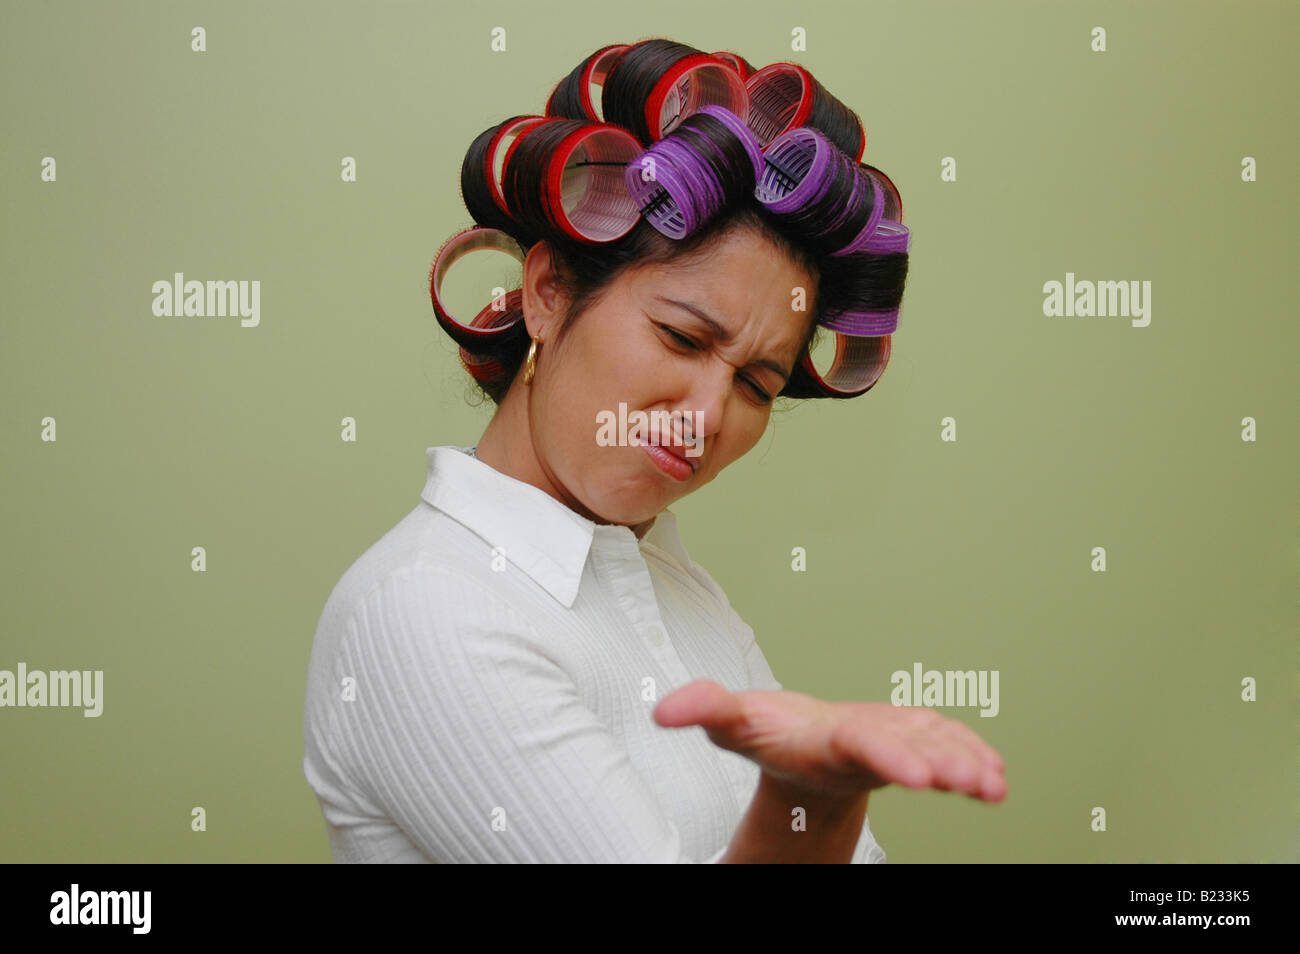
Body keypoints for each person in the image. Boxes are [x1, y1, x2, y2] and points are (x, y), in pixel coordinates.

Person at [302, 38, 1006, 863]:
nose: (708, 415)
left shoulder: (679, 591)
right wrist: (810, 797)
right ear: (548, 291)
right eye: (680, 336)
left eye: (756, 385)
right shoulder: (426, 607)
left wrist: (817, 802)